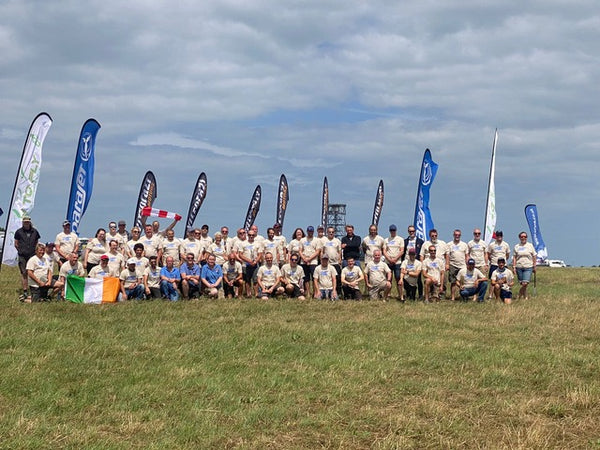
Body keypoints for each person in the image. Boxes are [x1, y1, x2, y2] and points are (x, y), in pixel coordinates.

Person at [14, 216, 41, 300]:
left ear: (30, 222)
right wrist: (20, 250)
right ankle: (25, 291)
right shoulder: (18, 232)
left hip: (32, 255)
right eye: (25, 222)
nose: (26, 223)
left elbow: (37, 241)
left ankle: (34, 289)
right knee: (24, 273)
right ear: (23, 222)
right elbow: (16, 243)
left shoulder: (35, 231)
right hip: (22, 255)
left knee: (33, 273)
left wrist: (35, 250)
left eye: (27, 222)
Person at [236, 229, 262, 297]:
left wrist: (255, 261)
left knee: (255, 280)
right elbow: (240, 254)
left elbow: (260, 254)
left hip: (255, 265)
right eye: (250, 235)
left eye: (253, 235)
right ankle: (248, 294)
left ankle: (256, 293)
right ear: (247, 235)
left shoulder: (257, 244)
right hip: (246, 265)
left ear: (254, 235)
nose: (251, 236)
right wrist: (248, 261)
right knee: (247, 280)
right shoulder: (243, 243)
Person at [446, 229, 469, 301]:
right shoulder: (449, 244)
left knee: (463, 282)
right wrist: (447, 264)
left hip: (462, 266)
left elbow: (467, 255)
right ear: (453, 235)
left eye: (458, 235)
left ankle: (463, 296)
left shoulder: (464, 244)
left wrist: (467, 264)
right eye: (456, 235)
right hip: (453, 265)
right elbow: (447, 255)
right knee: (453, 282)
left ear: (460, 236)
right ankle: (453, 297)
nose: (457, 236)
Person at [512, 232, 537, 300]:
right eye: (522, 237)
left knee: (525, 283)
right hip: (519, 266)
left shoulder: (530, 245)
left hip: (528, 266)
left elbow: (534, 256)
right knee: (522, 283)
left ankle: (519, 296)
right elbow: (514, 257)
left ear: (526, 237)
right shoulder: (517, 246)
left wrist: (534, 265)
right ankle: (525, 297)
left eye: (525, 237)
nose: (523, 238)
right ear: (519, 237)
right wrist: (514, 267)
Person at [486, 230, 510, 298]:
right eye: (498, 236)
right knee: (493, 281)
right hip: (494, 264)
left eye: (500, 236)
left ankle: (504, 294)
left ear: (502, 236)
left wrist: (503, 262)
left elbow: (507, 255)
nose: (499, 237)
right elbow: (488, 254)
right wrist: (493, 261)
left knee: (504, 280)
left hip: (503, 265)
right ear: (496, 236)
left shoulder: (506, 244)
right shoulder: (492, 245)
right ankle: (490, 295)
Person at [299, 226, 321, 297]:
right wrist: (304, 258)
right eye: (309, 231)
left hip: (313, 261)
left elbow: (317, 251)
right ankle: (307, 292)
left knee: (314, 277)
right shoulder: (302, 240)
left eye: (311, 231)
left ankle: (315, 293)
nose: (310, 232)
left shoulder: (316, 240)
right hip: (304, 261)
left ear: (313, 232)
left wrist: (309, 259)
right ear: (307, 231)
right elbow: (300, 250)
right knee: (306, 278)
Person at [404, 225, 424, 299]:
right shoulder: (405, 241)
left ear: (415, 231)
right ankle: (408, 294)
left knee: (418, 279)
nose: (411, 232)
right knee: (407, 278)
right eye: (410, 231)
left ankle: (420, 295)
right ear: (408, 232)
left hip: (416, 263)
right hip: (407, 262)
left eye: (413, 231)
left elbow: (422, 253)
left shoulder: (420, 241)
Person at [321, 227, 342, 297]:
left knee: (337, 278)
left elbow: (339, 252)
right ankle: (327, 292)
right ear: (327, 232)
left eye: (332, 232)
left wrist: (339, 260)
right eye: (329, 232)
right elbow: (322, 251)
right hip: (327, 263)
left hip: (335, 263)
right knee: (328, 278)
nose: (331, 233)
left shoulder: (337, 241)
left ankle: (338, 293)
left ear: (334, 233)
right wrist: (321, 260)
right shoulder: (324, 241)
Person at [384, 224, 404, 290]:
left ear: (396, 230)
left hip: (397, 262)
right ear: (389, 231)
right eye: (391, 230)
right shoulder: (386, 240)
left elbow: (402, 251)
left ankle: (400, 294)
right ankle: (388, 294)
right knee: (389, 278)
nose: (393, 231)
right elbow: (384, 251)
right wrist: (389, 259)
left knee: (398, 278)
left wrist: (395, 259)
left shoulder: (400, 239)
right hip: (388, 261)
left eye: (394, 230)